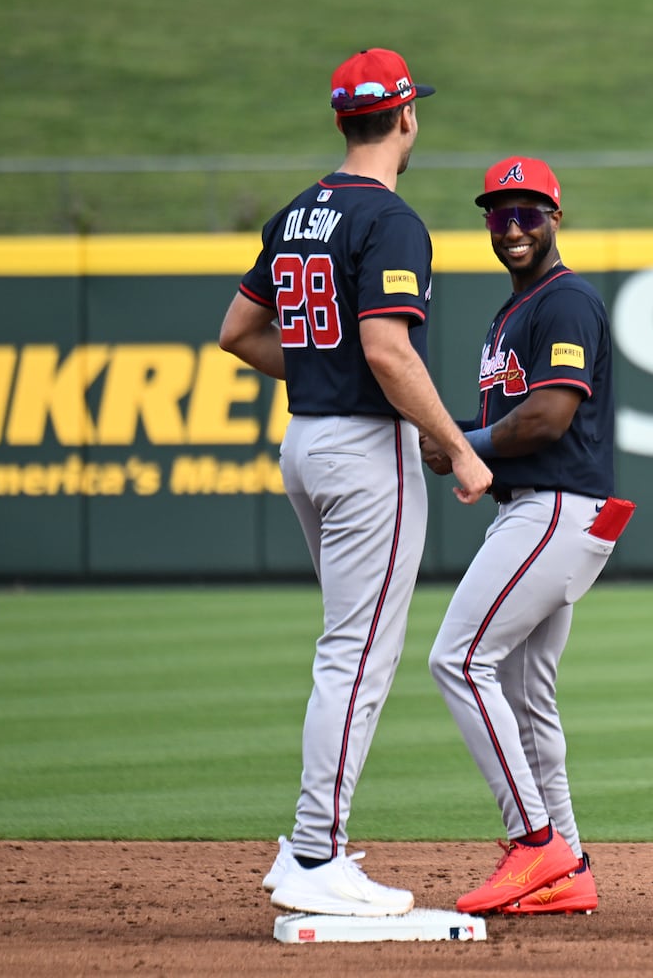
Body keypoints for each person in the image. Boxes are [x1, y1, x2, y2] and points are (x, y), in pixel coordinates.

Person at [218, 47, 491, 917]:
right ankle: (313, 854)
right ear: (405, 117)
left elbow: (237, 332)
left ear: (344, 119)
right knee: (357, 654)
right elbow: (385, 348)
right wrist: (455, 441)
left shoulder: (298, 212)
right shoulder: (391, 218)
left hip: (307, 439)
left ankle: (310, 845)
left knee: (346, 645)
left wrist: (315, 378)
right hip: (367, 450)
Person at [424, 156, 632, 916]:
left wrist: (459, 442)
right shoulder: (511, 311)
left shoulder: (565, 299)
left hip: (554, 508)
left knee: (458, 660)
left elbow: (548, 416)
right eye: (498, 213)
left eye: (528, 212)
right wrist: (462, 439)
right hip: (541, 511)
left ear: (556, 216)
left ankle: (532, 840)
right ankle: (568, 865)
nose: (513, 227)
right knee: (523, 691)